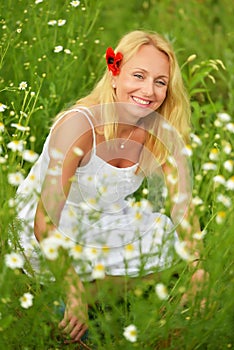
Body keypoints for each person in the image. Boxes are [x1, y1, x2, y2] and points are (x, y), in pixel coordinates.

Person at [16, 30, 201, 343]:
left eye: (160, 81)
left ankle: (89, 296)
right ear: (114, 75)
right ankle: (71, 296)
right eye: (138, 75)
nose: (149, 90)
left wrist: (198, 267)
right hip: (50, 223)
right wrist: (71, 284)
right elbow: (44, 222)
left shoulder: (159, 132)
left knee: (167, 238)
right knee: (90, 269)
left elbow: (183, 206)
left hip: (102, 217)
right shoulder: (80, 125)